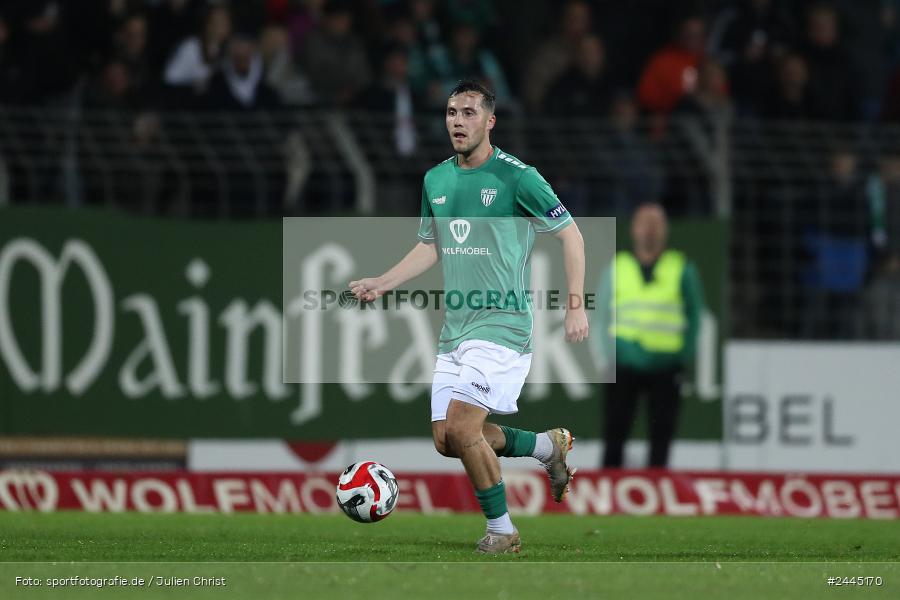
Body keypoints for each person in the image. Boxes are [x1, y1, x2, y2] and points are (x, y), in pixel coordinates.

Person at [350, 80, 588, 554]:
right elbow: (430, 245)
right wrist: (384, 281)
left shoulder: (519, 178)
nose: (457, 121)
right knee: (446, 439)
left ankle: (503, 532)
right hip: (455, 331)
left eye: (468, 113)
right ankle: (547, 447)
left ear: (490, 121)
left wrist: (576, 304)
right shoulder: (435, 180)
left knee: (463, 428)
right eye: (451, 113)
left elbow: (571, 234)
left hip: (503, 325)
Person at [594, 203, 704, 468]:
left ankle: (656, 488)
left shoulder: (681, 268)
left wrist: (683, 354)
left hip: (666, 365)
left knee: (662, 437)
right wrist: (609, 356)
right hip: (624, 363)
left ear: (665, 229)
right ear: (634, 229)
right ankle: (609, 487)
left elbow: (695, 314)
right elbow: (601, 315)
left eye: (656, 224)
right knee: (614, 434)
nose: (651, 230)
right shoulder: (618, 266)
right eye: (645, 223)